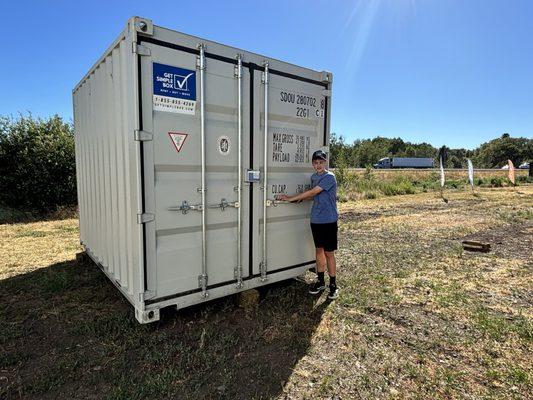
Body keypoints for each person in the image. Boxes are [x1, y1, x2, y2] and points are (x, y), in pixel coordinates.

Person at [277, 150, 339, 299]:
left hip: (329, 220)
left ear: (325, 163)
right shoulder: (313, 177)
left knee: (329, 253)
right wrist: (298, 199)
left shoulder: (329, 177)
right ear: (312, 163)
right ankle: (320, 281)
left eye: (321, 162)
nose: (318, 165)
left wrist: (292, 198)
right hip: (316, 220)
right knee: (319, 251)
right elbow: (313, 196)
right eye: (315, 163)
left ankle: (333, 285)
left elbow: (312, 192)